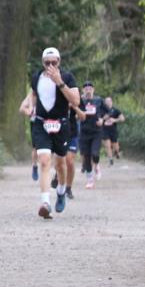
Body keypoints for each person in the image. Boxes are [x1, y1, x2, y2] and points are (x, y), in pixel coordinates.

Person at [22, 47, 80, 219]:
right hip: (41, 124)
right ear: (42, 63)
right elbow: (34, 94)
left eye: (54, 63)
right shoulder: (36, 77)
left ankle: (61, 192)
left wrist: (59, 82)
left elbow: (76, 100)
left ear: (59, 62)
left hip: (61, 125)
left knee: (61, 165)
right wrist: (30, 106)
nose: (50, 66)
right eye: (47, 63)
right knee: (45, 161)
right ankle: (45, 202)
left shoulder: (68, 77)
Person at [77, 81, 105, 189]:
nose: (88, 90)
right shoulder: (81, 101)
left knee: (95, 154)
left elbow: (108, 112)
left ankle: (97, 165)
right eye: (86, 89)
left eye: (90, 88)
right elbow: (75, 112)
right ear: (83, 90)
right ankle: (89, 180)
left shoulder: (98, 100)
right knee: (87, 157)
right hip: (84, 132)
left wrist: (102, 119)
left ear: (93, 90)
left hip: (96, 132)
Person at [101, 96, 126, 164]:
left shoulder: (115, 110)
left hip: (113, 131)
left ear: (111, 102)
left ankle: (117, 152)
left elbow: (123, 118)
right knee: (107, 145)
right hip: (104, 130)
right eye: (106, 102)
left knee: (116, 147)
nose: (108, 103)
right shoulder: (102, 111)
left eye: (109, 101)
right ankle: (110, 159)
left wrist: (115, 120)